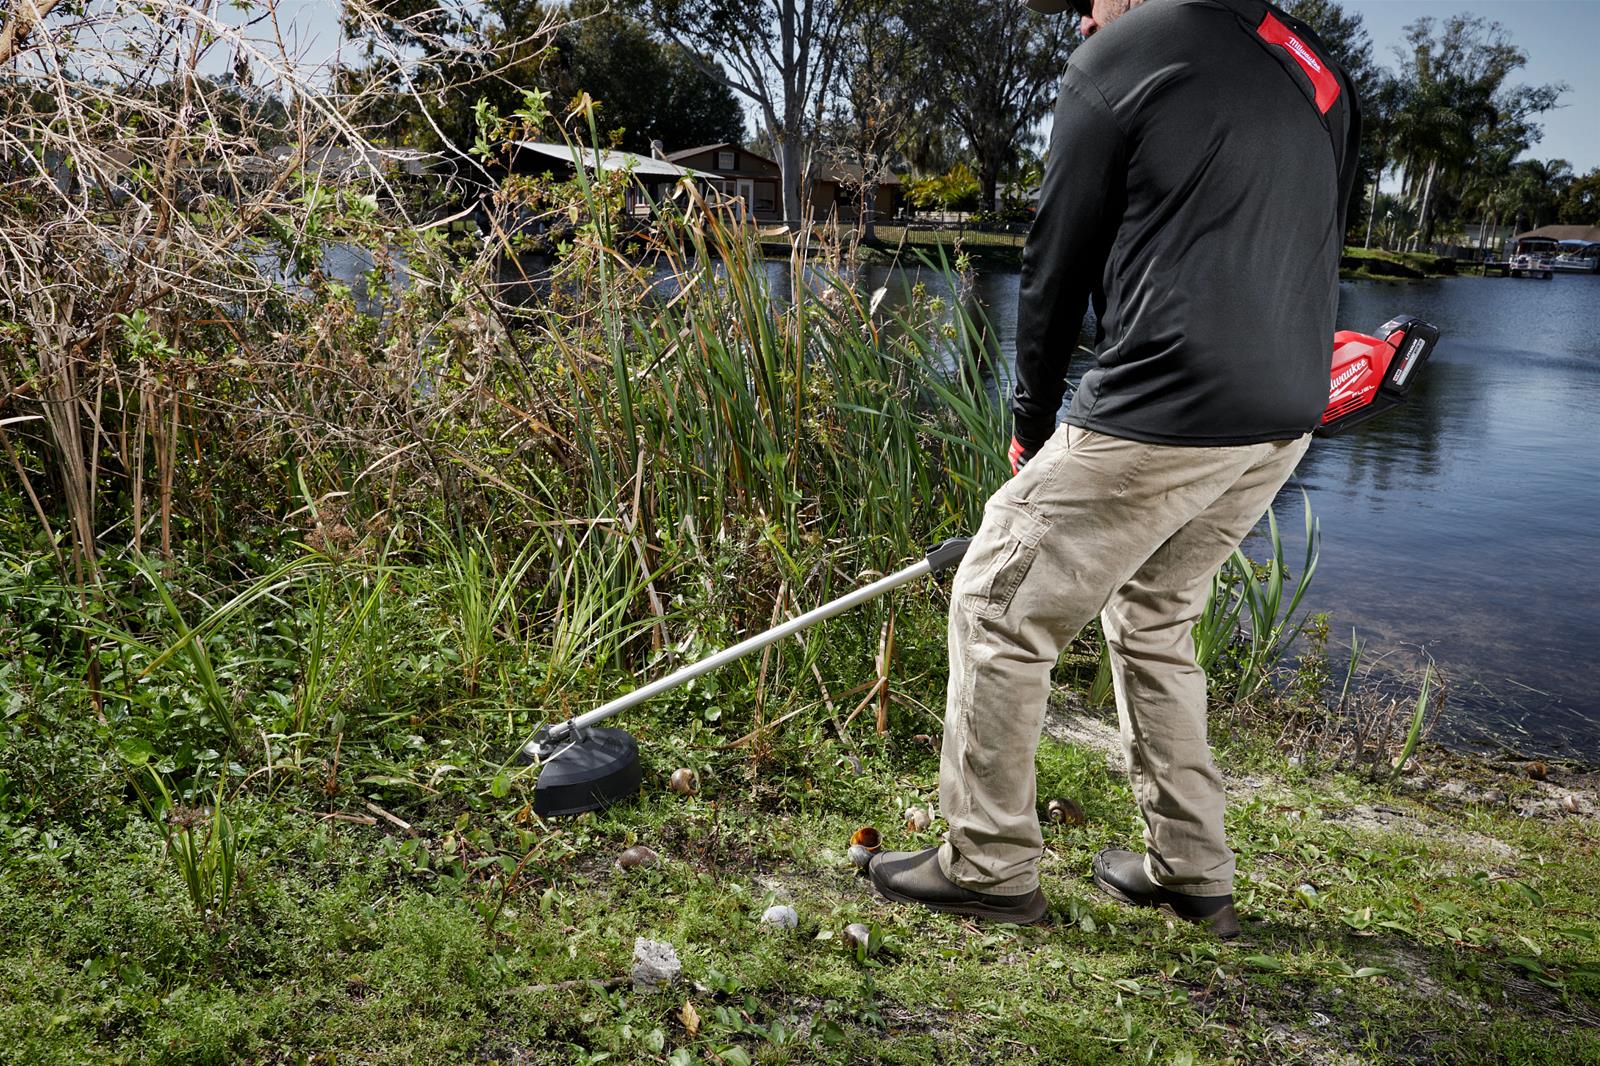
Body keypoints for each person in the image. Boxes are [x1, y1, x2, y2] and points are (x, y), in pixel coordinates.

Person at [868, 0, 1361, 936]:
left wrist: (1030, 422)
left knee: (995, 603)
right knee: (1155, 611)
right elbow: (1314, 244)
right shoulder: (1312, 65)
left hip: (1166, 403)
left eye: (1082, 5)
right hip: (1285, 410)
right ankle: (1190, 871)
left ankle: (987, 863)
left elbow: (1056, 262)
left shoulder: (1122, 55)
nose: (1080, 19)